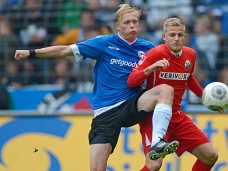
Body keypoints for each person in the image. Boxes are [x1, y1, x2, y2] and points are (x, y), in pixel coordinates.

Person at [14, 4, 179, 171]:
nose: (132, 26)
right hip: (106, 112)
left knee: (165, 90)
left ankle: (158, 142)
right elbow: (64, 50)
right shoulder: (104, 43)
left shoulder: (148, 48)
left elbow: (168, 71)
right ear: (117, 26)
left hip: (133, 105)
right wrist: (31, 52)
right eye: (127, 22)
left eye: (135, 22)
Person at [127, 17, 219, 171]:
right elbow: (131, 81)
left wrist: (206, 98)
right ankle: (158, 141)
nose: (176, 39)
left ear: (185, 36)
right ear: (164, 37)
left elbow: (188, 78)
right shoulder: (155, 54)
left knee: (210, 155)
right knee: (154, 164)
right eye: (172, 35)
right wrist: (151, 68)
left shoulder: (190, 54)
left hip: (176, 116)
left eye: (180, 35)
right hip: (154, 117)